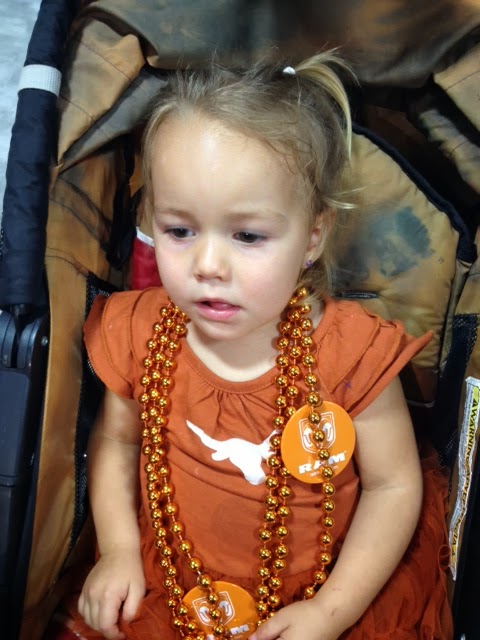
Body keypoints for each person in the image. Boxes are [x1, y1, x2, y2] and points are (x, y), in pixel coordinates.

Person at [61, 51, 452, 640]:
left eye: (246, 235)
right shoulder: (140, 332)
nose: (207, 265)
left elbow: (393, 487)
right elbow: (117, 440)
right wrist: (116, 549)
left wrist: (331, 611)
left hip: (327, 592)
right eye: (179, 230)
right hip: (172, 580)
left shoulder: (352, 356)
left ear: (312, 237)